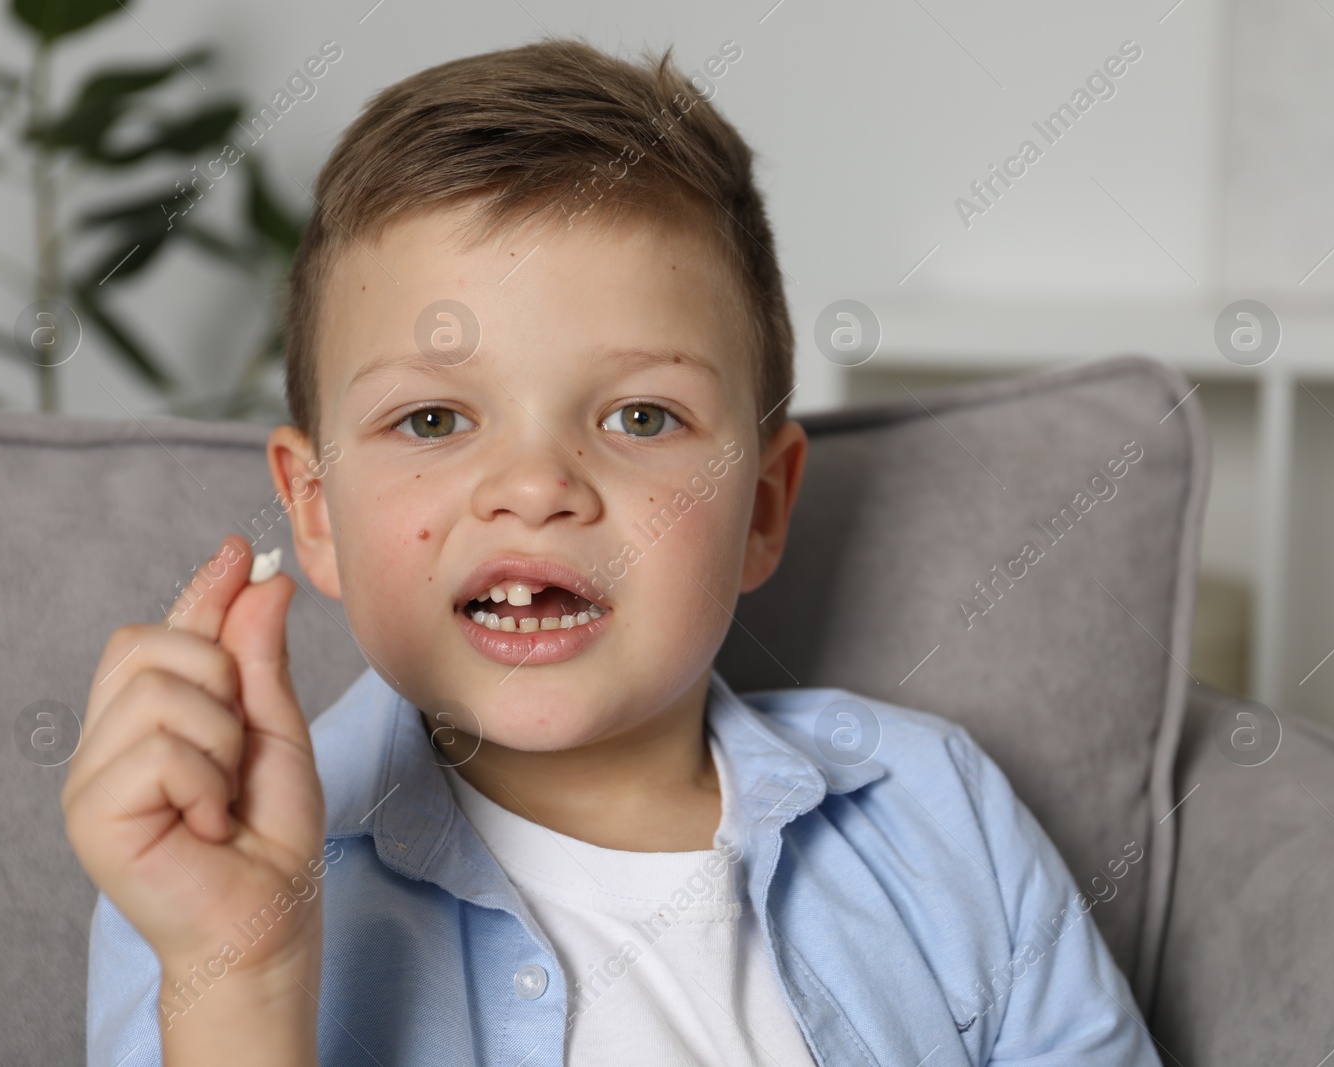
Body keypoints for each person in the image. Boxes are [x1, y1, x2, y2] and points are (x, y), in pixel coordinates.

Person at [64, 37, 1162, 1067]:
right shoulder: (212, 875)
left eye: (641, 417)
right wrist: (247, 979)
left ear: (765, 507)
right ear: (313, 510)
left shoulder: (936, 811)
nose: (535, 487)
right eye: (434, 421)